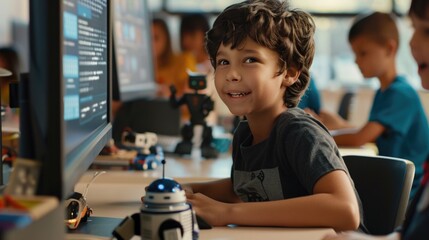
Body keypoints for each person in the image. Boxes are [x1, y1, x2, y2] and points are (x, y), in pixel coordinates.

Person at [179, 0, 363, 231]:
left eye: (250, 60)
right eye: (223, 61)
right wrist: (186, 190)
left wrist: (226, 212)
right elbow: (244, 188)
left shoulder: (299, 133)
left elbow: (345, 210)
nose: (231, 74)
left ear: (290, 72)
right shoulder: (245, 133)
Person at [323, 0, 429, 239]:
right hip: (395, 189)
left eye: (363, 53)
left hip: (406, 195)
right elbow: (370, 130)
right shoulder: (386, 92)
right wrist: (339, 125)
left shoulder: (400, 93)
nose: (356, 61)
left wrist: (321, 137)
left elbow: (364, 136)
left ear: (389, 50)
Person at [151, 18, 196, 98]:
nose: (151, 43)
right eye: (148, 38)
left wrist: (168, 96)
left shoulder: (184, 60)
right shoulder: (142, 69)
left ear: (166, 39)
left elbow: (191, 98)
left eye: (156, 38)